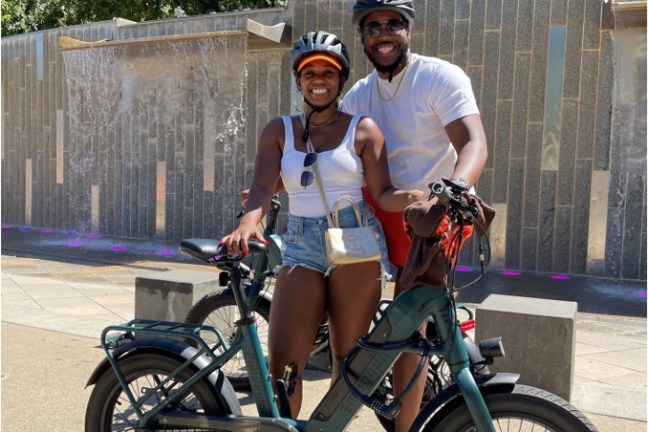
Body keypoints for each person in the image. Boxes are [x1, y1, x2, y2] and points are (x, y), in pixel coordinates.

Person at [221, 30, 423, 418]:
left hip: (355, 245)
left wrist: (417, 197)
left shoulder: (363, 129)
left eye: (328, 73)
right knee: (283, 365)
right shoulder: (278, 130)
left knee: (347, 360)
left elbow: (382, 194)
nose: (318, 79)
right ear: (298, 80)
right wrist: (249, 223)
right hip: (300, 244)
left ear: (341, 79)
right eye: (309, 72)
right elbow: (263, 185)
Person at [340, 1, 489, 430]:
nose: (383, 34)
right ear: (362, 35)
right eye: (373, 26)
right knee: (348, 299)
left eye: (394, 24)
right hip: (383, 209)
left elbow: (473, 144)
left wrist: (455, 188)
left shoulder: (439, 76)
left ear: (409, 31)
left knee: (411, 325)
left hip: (435, 215)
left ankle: (407, 426)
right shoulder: (358, 95)